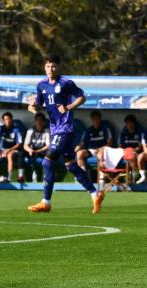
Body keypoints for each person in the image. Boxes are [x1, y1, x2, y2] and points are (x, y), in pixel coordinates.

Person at [27, 54, 104, 214]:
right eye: (48, 66)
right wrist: (33, 107)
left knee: (47, 163)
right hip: (55, 129)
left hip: (65, 129)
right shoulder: (41, 85)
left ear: (58, 67)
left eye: (53, 66)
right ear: (44, 67)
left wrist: (69, 106)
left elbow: (82, 97)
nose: (50, 69)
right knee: (71, 166)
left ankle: (46, 202)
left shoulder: (66, 83)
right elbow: (39, 105)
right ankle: (95, 194)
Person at [0, 112, 24, 183]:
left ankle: (9, 177)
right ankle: (1, 155)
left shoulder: (16, 130)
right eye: (5, 119)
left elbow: (19, 144)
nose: (7, 121)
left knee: (9, 155)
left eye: (9, 119)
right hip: (3, 150)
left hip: (13, 149)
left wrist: (9, 150)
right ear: (3, 121)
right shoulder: (1, 128)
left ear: (11, 119)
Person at [23, 113, 50, 182]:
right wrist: (30, 150)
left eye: (41, 120)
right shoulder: (30, 131)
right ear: (35, 121)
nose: (39, 122)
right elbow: (25, 145)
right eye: (37, 120)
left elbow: (48, 145)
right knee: (25, 154)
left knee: (50, 153)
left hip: (42, 151)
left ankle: (46, 176)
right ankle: (33, 174)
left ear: (44, 122)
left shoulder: (47, 131)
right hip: (32, 151)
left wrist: (38, 151)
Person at [118, 114, 142, 181]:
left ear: (134, 123)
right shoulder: (123, 133)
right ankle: (126, 177)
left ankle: (134, 176)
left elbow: (140, 147)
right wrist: (126, 151)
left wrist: (132, 150)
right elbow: (119, 146)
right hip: (124, 153)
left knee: (132, 156)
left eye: (131, 123)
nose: (130, 125)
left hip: (135, 152)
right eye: (128, 123)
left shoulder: (139, 132)